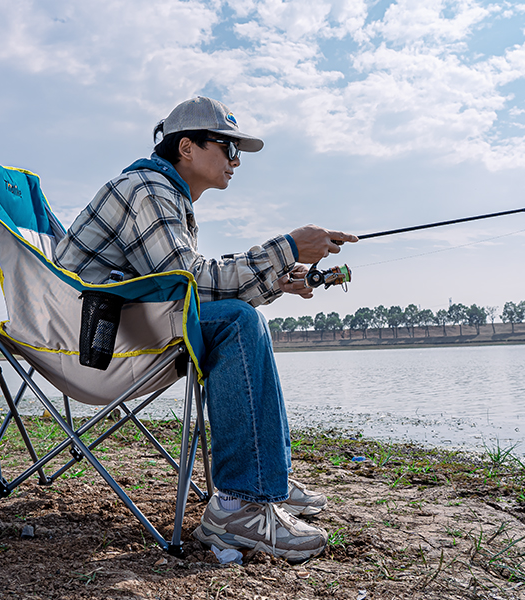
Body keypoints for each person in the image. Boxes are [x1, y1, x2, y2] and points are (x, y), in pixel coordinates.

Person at [53, 96, 357, 562]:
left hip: (117, 327)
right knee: (238, 322)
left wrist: (276, 279)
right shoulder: (148, 189)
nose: (236, 161)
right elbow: (187, 282)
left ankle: (262, 480)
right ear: (188, 147)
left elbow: (187, 287)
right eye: (227, 147)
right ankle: (240, 502)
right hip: (92, 340)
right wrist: (286, 245)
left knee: (240, 319)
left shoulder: (163, 193)